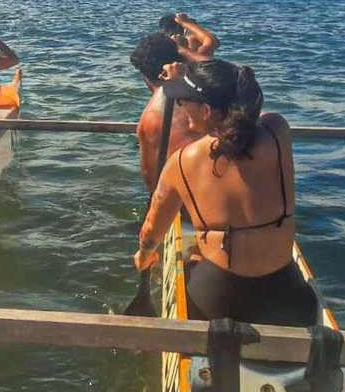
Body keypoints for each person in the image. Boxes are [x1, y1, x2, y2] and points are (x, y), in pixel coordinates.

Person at [132, 59, 318, 326]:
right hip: (286, 294)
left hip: (219, 298)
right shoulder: (278, 130)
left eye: (183, 102)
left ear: (206, 110)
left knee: (195, 258)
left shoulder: (181, 162)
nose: (180, 108)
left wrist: (144, 256)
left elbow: (151, 231)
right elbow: (250, 121)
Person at [130, 32, 208, 194]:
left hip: (184, 204)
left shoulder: (149, 118)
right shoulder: (204, 97)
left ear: (145, 76)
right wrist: (182, 50)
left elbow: (151, 178)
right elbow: (229, 74)